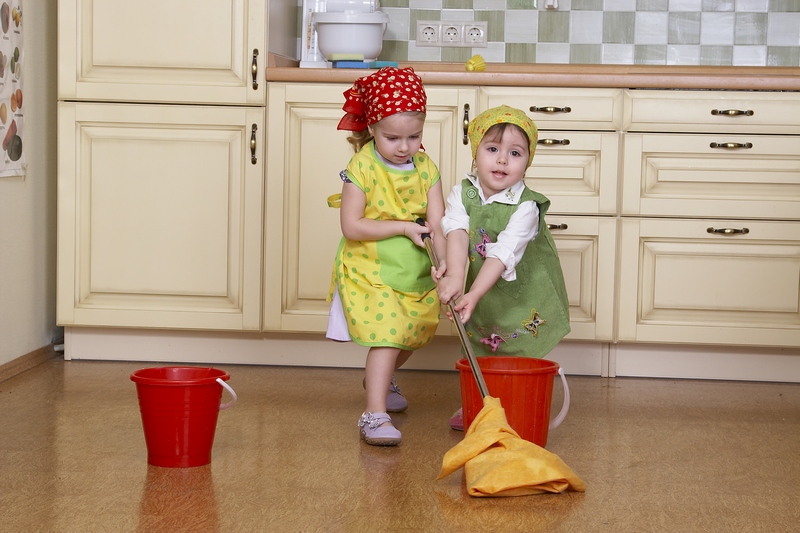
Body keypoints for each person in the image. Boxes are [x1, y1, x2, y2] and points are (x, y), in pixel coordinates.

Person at [326, 67, 447, 446]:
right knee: (388, 335)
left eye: (414, 136)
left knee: (412, 335)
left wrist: (445, 264)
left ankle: (381, 378)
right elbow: (353, 226)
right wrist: (404, 227)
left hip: (414, 270)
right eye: (392, 137)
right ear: (372, 129)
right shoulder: (362, 167)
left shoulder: (427, 169)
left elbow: (439, 223)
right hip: (371, 267)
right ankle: (373, 414)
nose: (404, 146)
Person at [435, 105, 571, 430]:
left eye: (515, 153)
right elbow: (455, 232)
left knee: (520, 348)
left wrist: (474, 291)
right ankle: (481, 404)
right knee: (482, 344)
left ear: (528, 162)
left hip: (523, 291)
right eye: (492, 149)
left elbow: (502, 252)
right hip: (483, 290)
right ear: (475, 153)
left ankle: (518, 406)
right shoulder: (461, 193)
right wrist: (456, 278)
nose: (502, 160)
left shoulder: (527, 206)